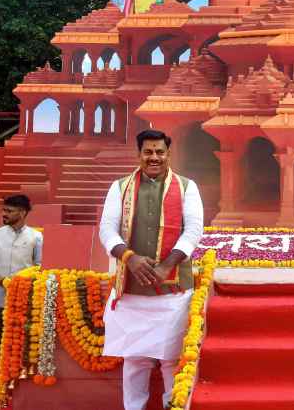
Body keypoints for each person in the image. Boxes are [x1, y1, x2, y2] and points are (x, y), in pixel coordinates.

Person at [99, 129, 204, 410]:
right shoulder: (120, 187)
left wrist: (167, 266)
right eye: (148, 152)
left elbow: (193, 231)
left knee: (171, 358)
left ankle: (174, 405)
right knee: (135, 359)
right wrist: (130, 258)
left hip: (173, 290)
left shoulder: (186, 187)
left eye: (160, 152)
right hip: (132, 289)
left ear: (169, 154)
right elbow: (106, 230)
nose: (154, 157)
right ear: (139, 154)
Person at [0, 195, 43, 337]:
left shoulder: (36, 237)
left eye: (9, 211)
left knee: (16, 345)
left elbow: (40, 267)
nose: (4, 214)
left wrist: (24, 284)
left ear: (22, 213)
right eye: (3, 210)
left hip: (21, 301)